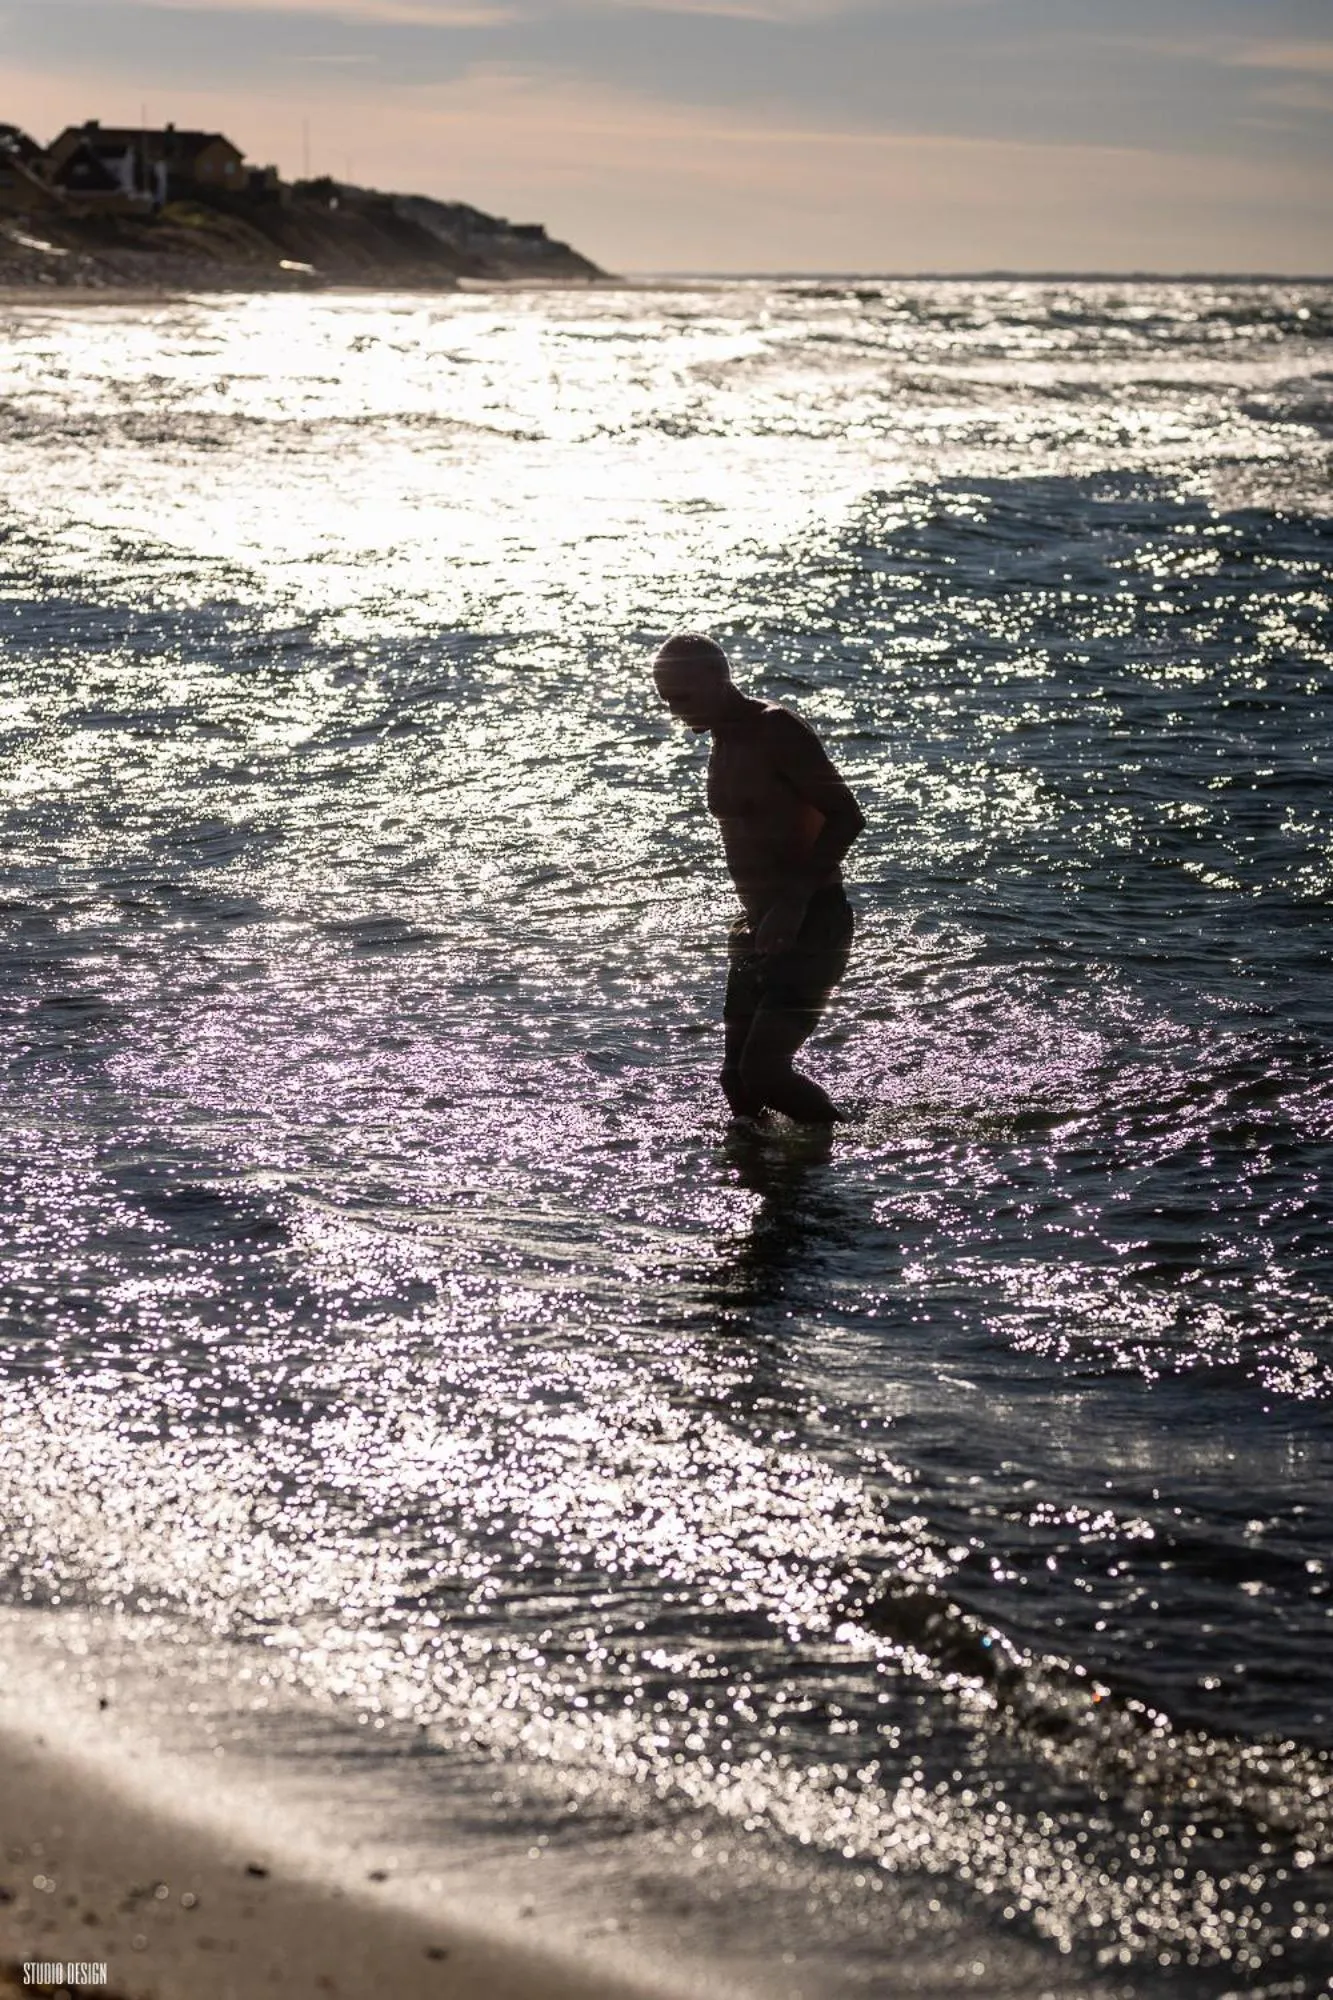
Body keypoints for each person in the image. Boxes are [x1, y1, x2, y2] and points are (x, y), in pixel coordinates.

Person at [652, 632, 865, 1124]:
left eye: (682, 697)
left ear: (717, 679)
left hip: (812, 920)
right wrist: (761, 918)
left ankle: (851, 1150)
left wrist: (793, 903)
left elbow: (847, 816)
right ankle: (765, 1164)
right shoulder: (723, 738)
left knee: (766, 1072)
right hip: (755, 927)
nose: (675, 712)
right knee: (736, 1081)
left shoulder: (775, 729)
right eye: (666, 701)